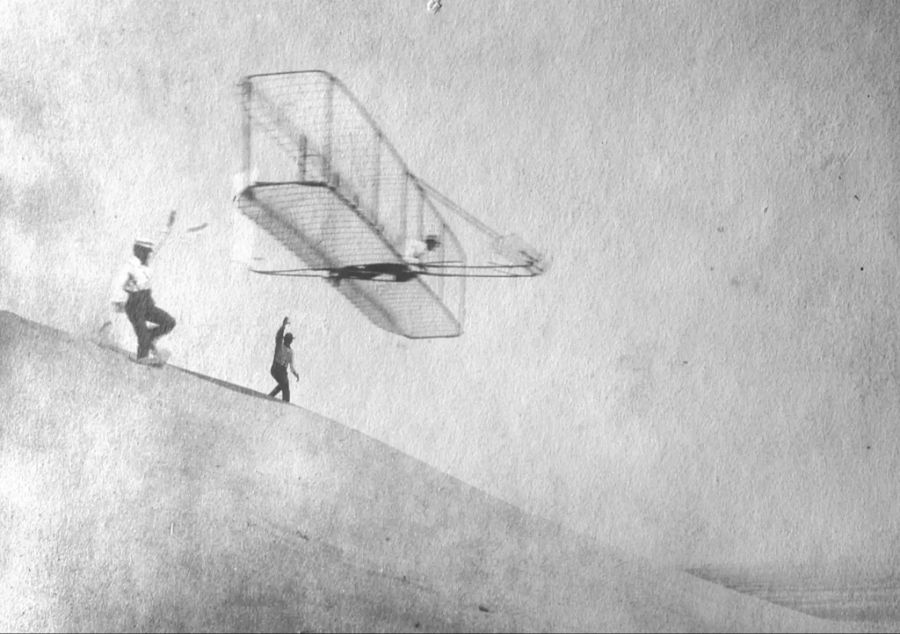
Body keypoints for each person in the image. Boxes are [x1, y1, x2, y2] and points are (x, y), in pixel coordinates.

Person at [110, 210, 177, 364]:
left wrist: (169, 225)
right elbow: (119, 282)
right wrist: (117, 301)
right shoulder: (131, 265)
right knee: (142, 335)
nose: (149, 254)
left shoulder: (147, 261)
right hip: (134, 305)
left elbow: (160, 242)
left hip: (147, 302)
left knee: (169, 322)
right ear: (140, 251)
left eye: (149, 251)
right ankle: (143, 357)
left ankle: (150, 339)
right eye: (147, 251)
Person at [326, 234, 441, 286]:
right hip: (392, 263)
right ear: (430, 242)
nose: (435, 247)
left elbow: (410, 260)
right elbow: (404, 257)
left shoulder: (423, 250)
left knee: (367, 272)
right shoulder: (419, 245)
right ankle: (339, 273)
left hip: (393, 263)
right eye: (435, 244)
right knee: (367, 273)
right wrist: (419, 265)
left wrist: (419, 266)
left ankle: (339, 273)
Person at [269, 316, 299, 402]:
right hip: (277, 369)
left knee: (283, 384)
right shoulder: (281, 346)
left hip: (280, 370)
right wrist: (283, 326)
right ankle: (285, 403)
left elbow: (291, 367)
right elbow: (278, 337)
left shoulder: (289, 351)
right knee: (285, 385)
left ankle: (271, 395)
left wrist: (295, 373)